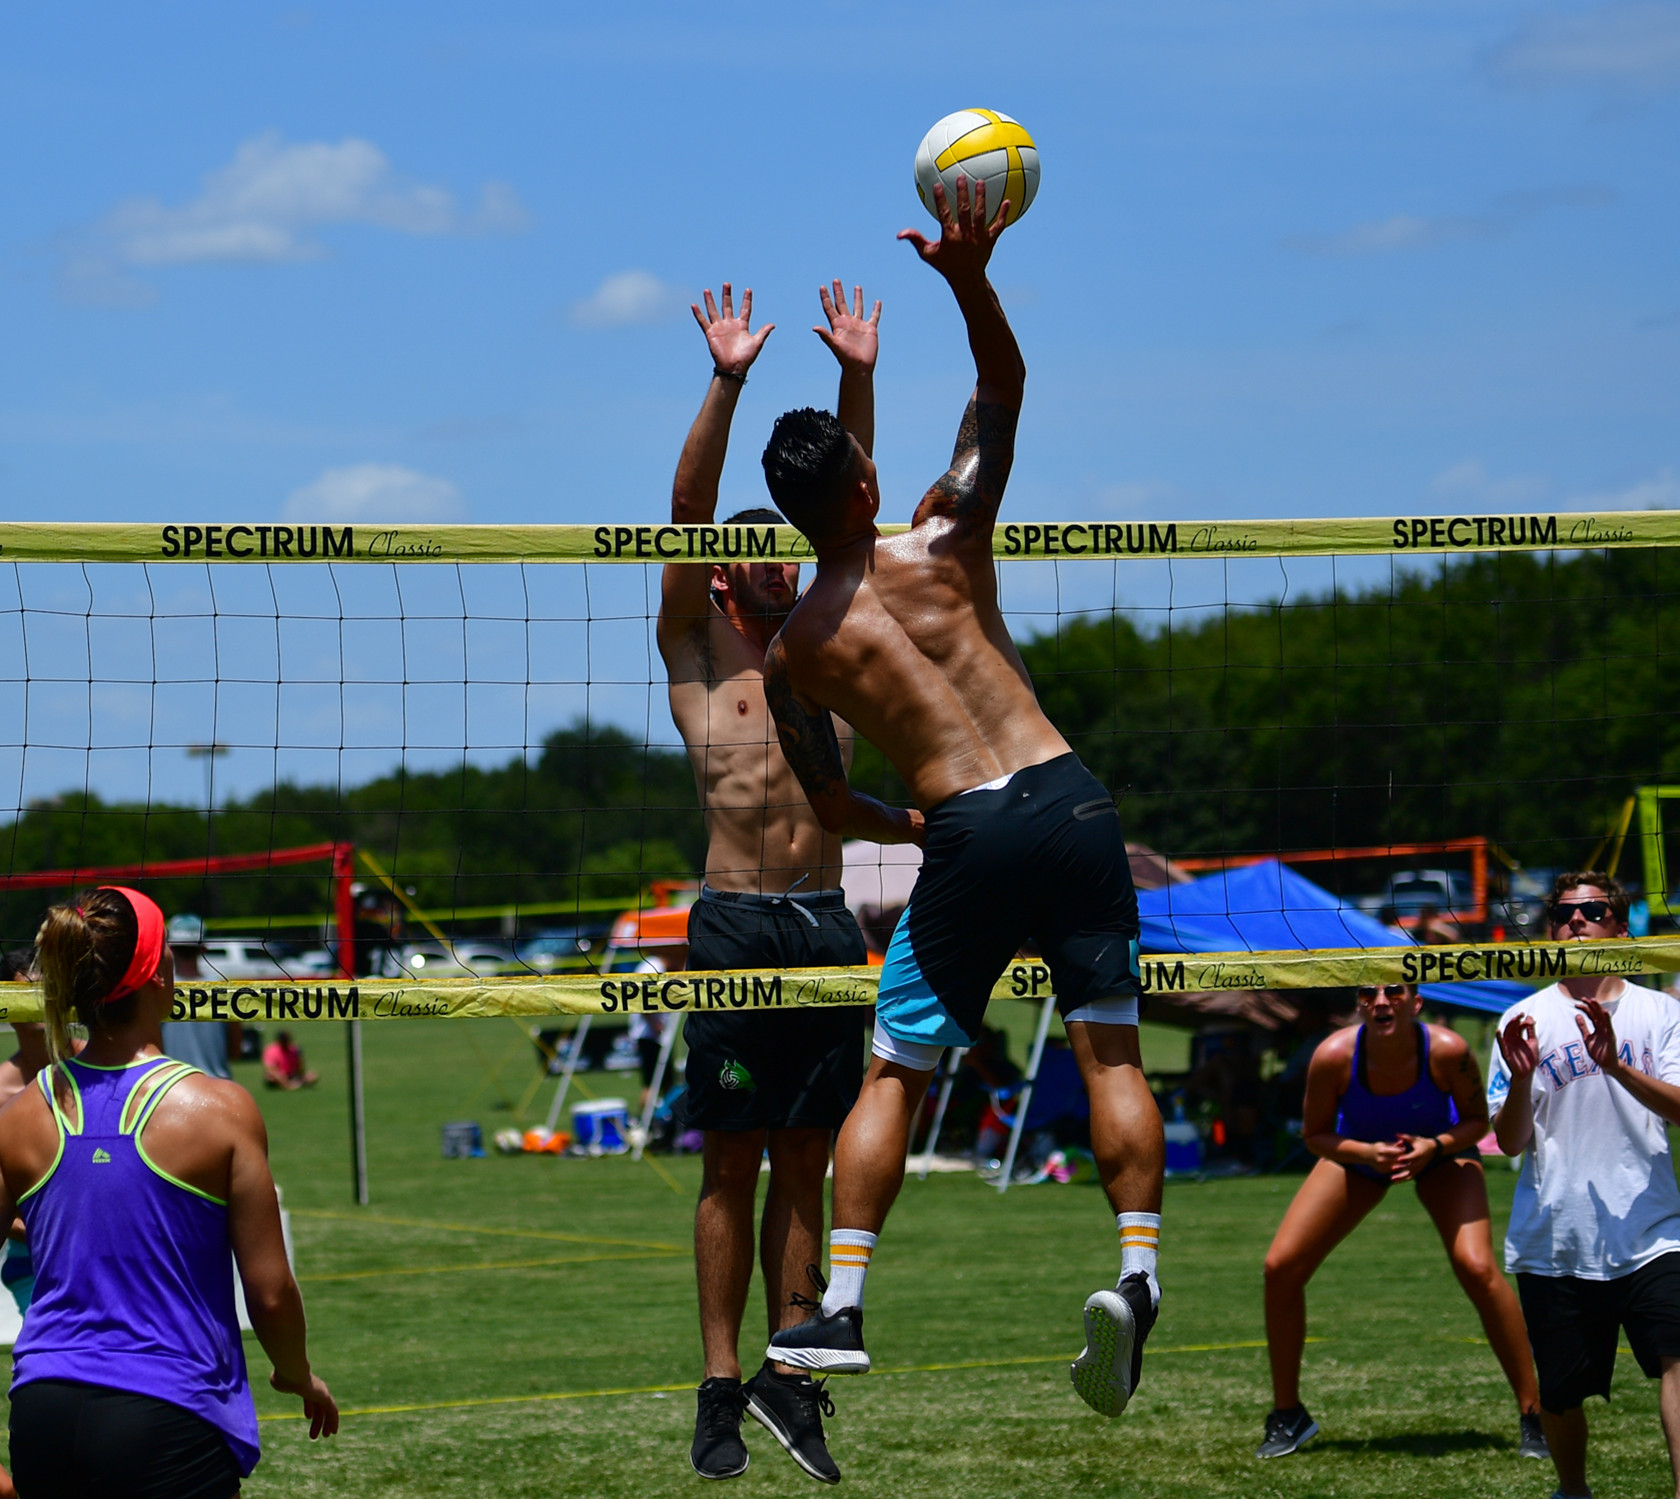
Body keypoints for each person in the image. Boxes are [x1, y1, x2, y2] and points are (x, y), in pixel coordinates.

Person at [758, 176, 1163, 1421]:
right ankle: (1138, 1274)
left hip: (968, 829)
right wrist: (968, 277)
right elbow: (1002, 389)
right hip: (1073, 796)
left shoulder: (795, 656)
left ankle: (843, 1307)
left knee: (896, 1074)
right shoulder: (945, 535)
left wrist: (907, 822)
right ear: (873, 484)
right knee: (1108, 1044)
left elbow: (829, 810)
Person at [656, 279, 901, 1482]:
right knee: (730, 1161)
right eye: (744, 554)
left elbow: (851, 499)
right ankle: (716, 1379)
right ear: (718, 578)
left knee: (806, 1158)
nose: (766, 560)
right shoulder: (699, 657)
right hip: (735, 918)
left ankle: (790, 1378)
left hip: (820, 921)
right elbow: (688, 503)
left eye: (776, 548)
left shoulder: (828, 634)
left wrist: (856, 375)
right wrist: (728, 376)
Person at [0, 885, 336, 1496]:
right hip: (166, 1411)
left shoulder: (22, 1113)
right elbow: (269, 1291)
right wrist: (298, 1374)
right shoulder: (220, 1110)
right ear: (162, 973)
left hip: (42, 1411)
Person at [1258, 981, 1546, 1460]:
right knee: (1280, 1267)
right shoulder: (1332, 1055)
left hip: (1441, 1152)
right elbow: (1315, 1136)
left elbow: (1477, 1124)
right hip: (1361, 1154)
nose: (1381, 1002)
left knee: (1476, 1267)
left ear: (1416, 1002)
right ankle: (1288, 1415)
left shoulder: (1447, 1050)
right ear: (1357, 1004)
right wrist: (1367, 1153)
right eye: (1368, 993)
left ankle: (1536, 1413)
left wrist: (1433, 1147)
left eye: (1394, 991)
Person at [1489, 871, 1680, 1499]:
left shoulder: (1661, 1012)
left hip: (1652, 1232)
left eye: (1594, 911)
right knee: (1562, 1394)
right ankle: (1573, 1490)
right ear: (1550, 930)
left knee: (1679, 1360)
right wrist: (1520, 1080)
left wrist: (1614, 1065)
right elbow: (1511, 1141)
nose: (1578, 922)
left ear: (1621, 930)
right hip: (1558, 1239)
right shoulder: (1522, 1020)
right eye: (1566, 914)